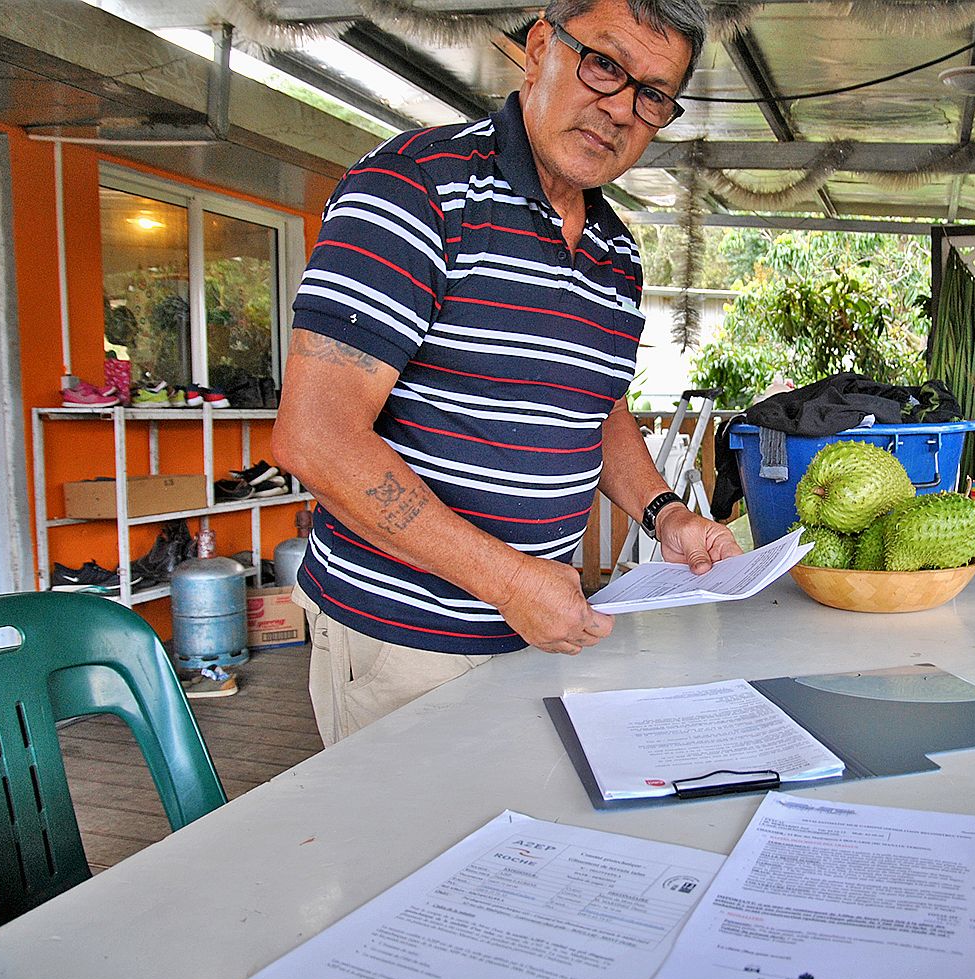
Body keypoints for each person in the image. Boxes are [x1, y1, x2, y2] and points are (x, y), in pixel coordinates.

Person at [273, 0, 740, 746]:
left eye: (651, 94)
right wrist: (508, 582)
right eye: (604, 64)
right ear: (539, 48)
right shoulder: (414, 189)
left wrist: (666, 515)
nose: (619, 108)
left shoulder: (615, 252)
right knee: (409, 859)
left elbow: (593, 403)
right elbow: (315, 437)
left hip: (539, 636)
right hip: (407, 643)